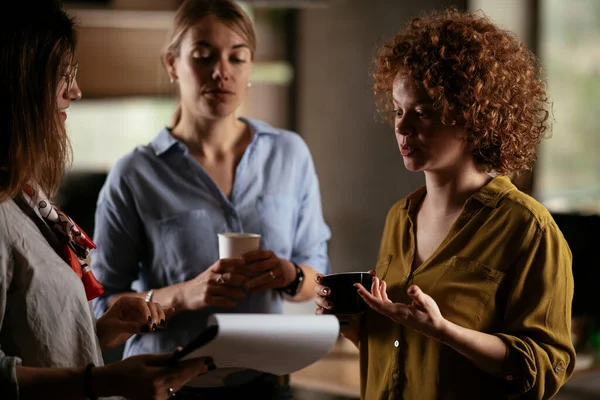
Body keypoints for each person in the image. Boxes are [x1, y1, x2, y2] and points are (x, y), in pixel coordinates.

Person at [315, 8, 575, 400]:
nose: (402, 128)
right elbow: (400, 354)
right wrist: (353, 325)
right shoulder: (399, 218)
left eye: (422, 113)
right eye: (399, 111)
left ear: (475, 117)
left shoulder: (528, 229)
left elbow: (544, 369)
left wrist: (444, 330)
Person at [91, 0, 331, 398]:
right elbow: (102, 313)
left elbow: (319, 276)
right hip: (168, 386)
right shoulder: (135, 173)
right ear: (173, 65)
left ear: (250, 66)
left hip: (266, 383)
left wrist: (290, 275)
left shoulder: (290, 154)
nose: (221, 72)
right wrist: (182, 296)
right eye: (203, 57)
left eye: (237, 58)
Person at [0, 2, 215, 399]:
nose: (76, 92)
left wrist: (100, 331)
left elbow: (35, 343)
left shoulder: (28, 199)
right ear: (22, 85)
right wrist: (102, 381)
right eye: (64, 77)